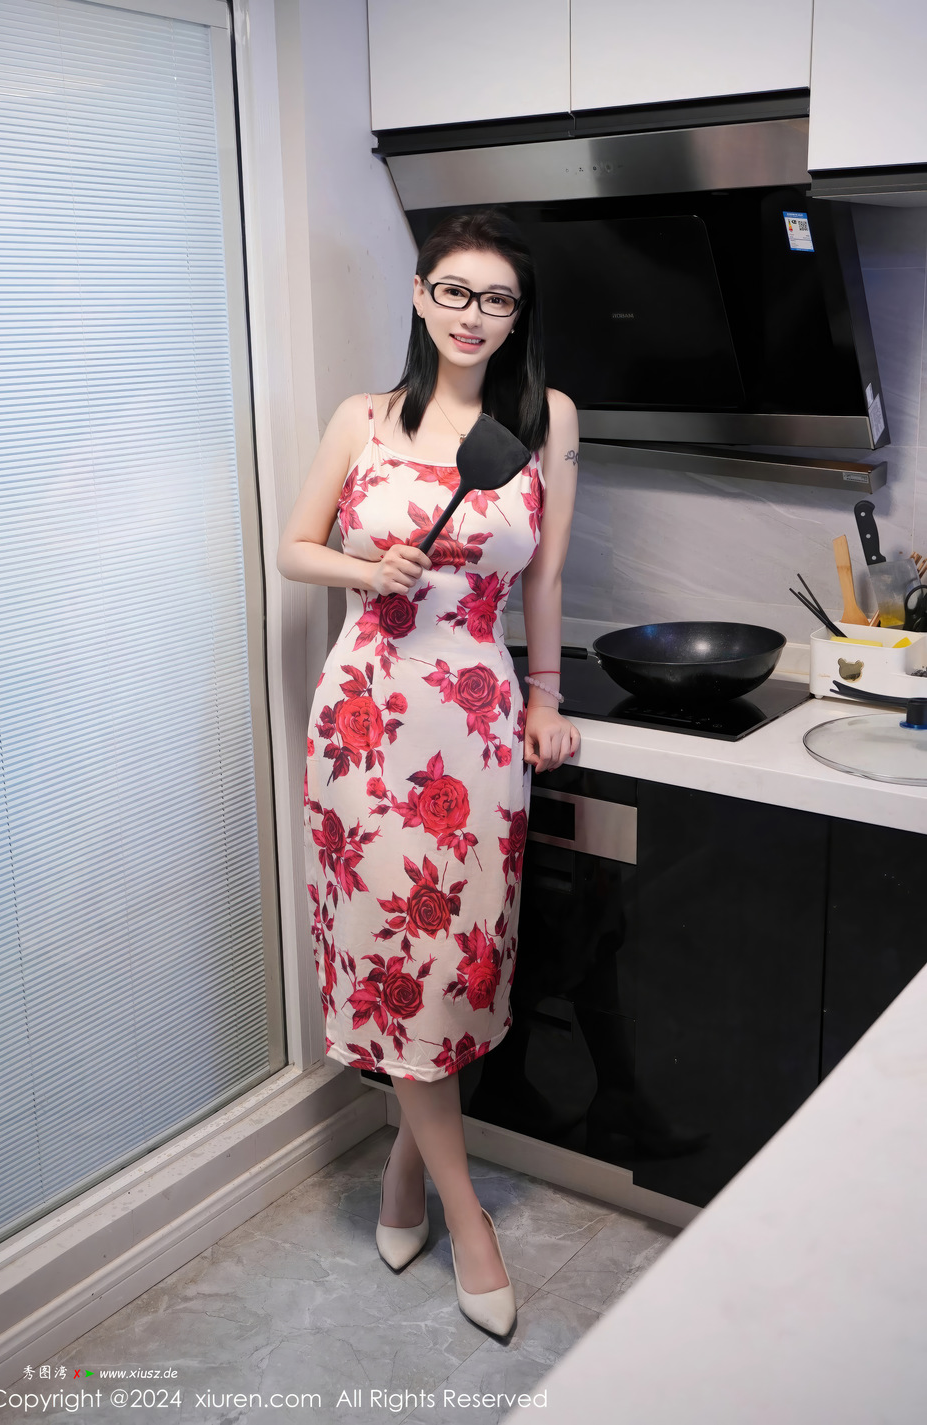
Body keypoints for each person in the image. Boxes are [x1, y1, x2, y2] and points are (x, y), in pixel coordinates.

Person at [276, 208, 580, 1336]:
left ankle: (405, 1169)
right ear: (419, 295)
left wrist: (545, 695)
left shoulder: (544, 420)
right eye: (454, 291)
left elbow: (545, 579)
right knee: (395, 961)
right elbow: (293, 546)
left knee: (453, 961)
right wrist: (364, 567)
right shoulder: (363, 418)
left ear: (516, 316)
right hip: (367, 719)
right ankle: (467, 1214)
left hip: (477, 717)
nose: (472, 315)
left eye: (496, 299)